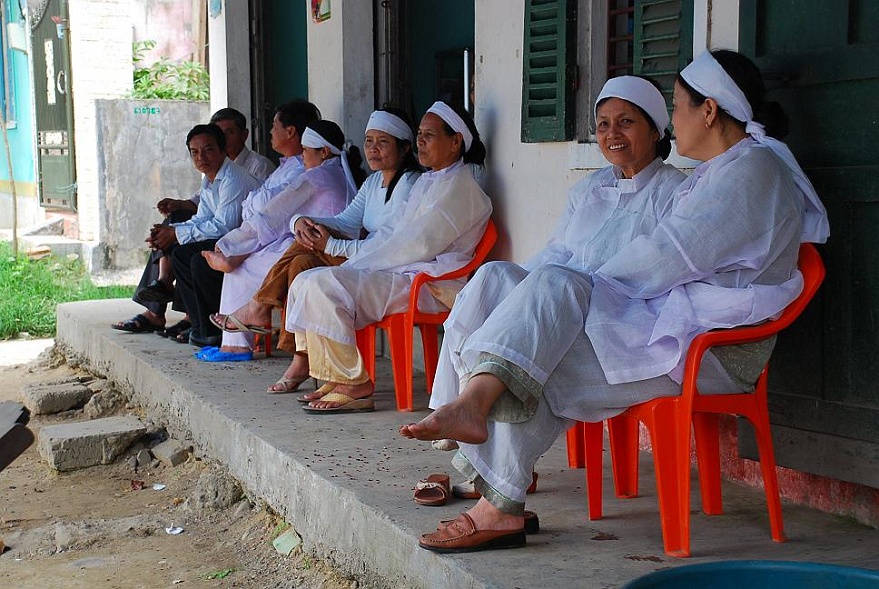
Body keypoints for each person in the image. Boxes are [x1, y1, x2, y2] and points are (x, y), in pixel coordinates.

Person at [400, 50, 830, 553]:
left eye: (676, 106)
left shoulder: (752, 171)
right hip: (674, 327)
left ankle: (492, 480)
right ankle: (495, 486)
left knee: (548, 333)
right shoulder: (727, 169)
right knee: (534, 334)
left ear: (708, 111)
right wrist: (572, 290)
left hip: (715, 350)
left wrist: (580, 290)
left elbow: (671, 255)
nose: (675, 117)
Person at [268, 100, 492, 412]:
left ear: (455, 142)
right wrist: (315, 232)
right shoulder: (432, 181)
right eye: (419, 135)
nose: (421, 142)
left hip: (428, 285)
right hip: (400, 273)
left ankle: (355, 383)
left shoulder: (461, 190)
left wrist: (339, 251)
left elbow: (413, 246)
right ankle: (336, 374)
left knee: (323, 284)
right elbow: (392, 236)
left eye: (429, 135)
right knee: (306, 279)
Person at [208, 108, 422, 369]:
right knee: (300, 262)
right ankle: (298, 359)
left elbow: (389, 246)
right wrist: (301, 222)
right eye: (369, 141)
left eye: (383, 142)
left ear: (405, 147)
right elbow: (345, 220)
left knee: (299, 257)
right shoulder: (374, 181)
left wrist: (328, 243)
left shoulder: (409, 185)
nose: (373, 149)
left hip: (383, 266)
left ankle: (261, 315)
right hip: (355, 254)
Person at [193, 119, 361, 362]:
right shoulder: (332, 172)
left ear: (323, 152)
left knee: (241, 269)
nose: (302, 156)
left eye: (305, 151)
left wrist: (229, 244)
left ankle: (237, 343)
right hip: (310, 244)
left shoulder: (317, 176)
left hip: (319, 250)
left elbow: (273, 215)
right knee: (251, 256)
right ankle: (244, 322)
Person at [112, 107, 279, 340]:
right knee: (178, 246)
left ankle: (207, 328)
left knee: (189, 255)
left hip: (245, 244)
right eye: (195, 152)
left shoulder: (234, 178)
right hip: (227, 239)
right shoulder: (211, 179)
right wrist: (172, 232)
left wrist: (177, 235)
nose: (201, 157)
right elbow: (202, 216)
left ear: (223, 150)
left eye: (208, 150)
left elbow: (225, 226)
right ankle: (195, 322)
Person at [173, 102, 322, 347]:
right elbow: (256, 206)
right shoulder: (285, 168)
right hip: (264, 237)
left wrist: (231, 245)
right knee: (193, 252)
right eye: (194, 153)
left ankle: (230, 336)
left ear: (291, 132)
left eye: (274, 127)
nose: (270, 133)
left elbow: (268, 214)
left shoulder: (305, 172)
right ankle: (218, 334)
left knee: (217, 263)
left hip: (280, 241)